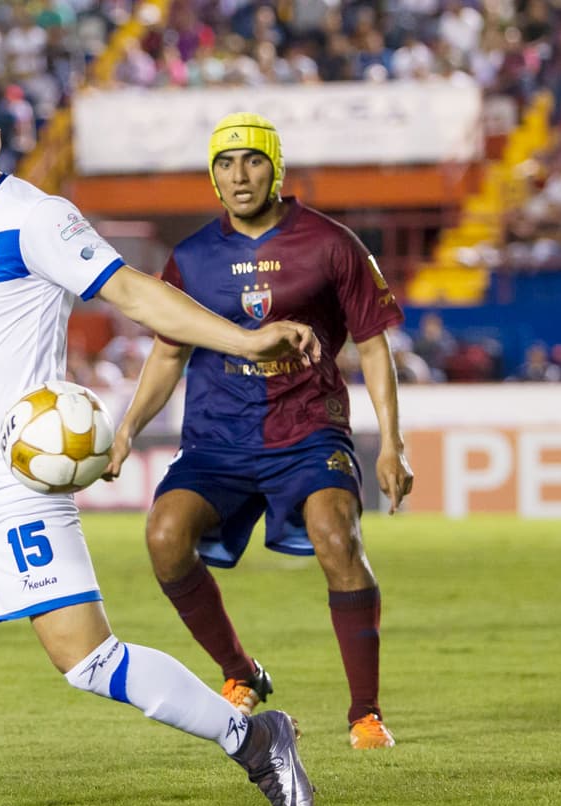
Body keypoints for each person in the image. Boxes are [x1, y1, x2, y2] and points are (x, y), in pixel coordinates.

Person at [0, 69, 317, 806]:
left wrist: (244, 338)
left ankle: (255, 735)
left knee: (87, 661)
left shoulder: (36, 220)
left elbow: (134, 292)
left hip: (16, 482)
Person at [105, 113, 413, 750]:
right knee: (164, 536)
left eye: (251, 161)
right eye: (224, 163)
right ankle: (240, 673)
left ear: (276, 168)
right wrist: (128, 428)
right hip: (218, 439)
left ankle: (365, 715)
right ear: (212, 176)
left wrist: (392, 443)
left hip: (308, 432)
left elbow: (373, 346)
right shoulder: (191, 258)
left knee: (337, 536)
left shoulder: (333, 244)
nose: (238, 175)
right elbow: (168, 355)